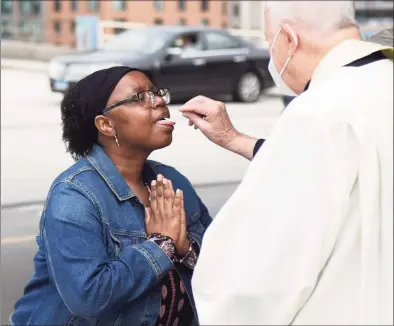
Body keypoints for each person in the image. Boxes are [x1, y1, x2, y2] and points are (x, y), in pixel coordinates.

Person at [180, 1, 393, 325]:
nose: (271, 58)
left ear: (289, 39)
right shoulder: (382, 83)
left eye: (270, 42)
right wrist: (234, 138)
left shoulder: (316, 112)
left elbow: (256, 278)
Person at [10, 67, 212, 326]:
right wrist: (161, 246)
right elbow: (89, 297)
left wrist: (185, 250)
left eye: (156, 93)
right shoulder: (75, 194)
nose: (159, 100)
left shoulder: (171, 181)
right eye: (140, 97)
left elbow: (221, 259)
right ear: (106, 125)